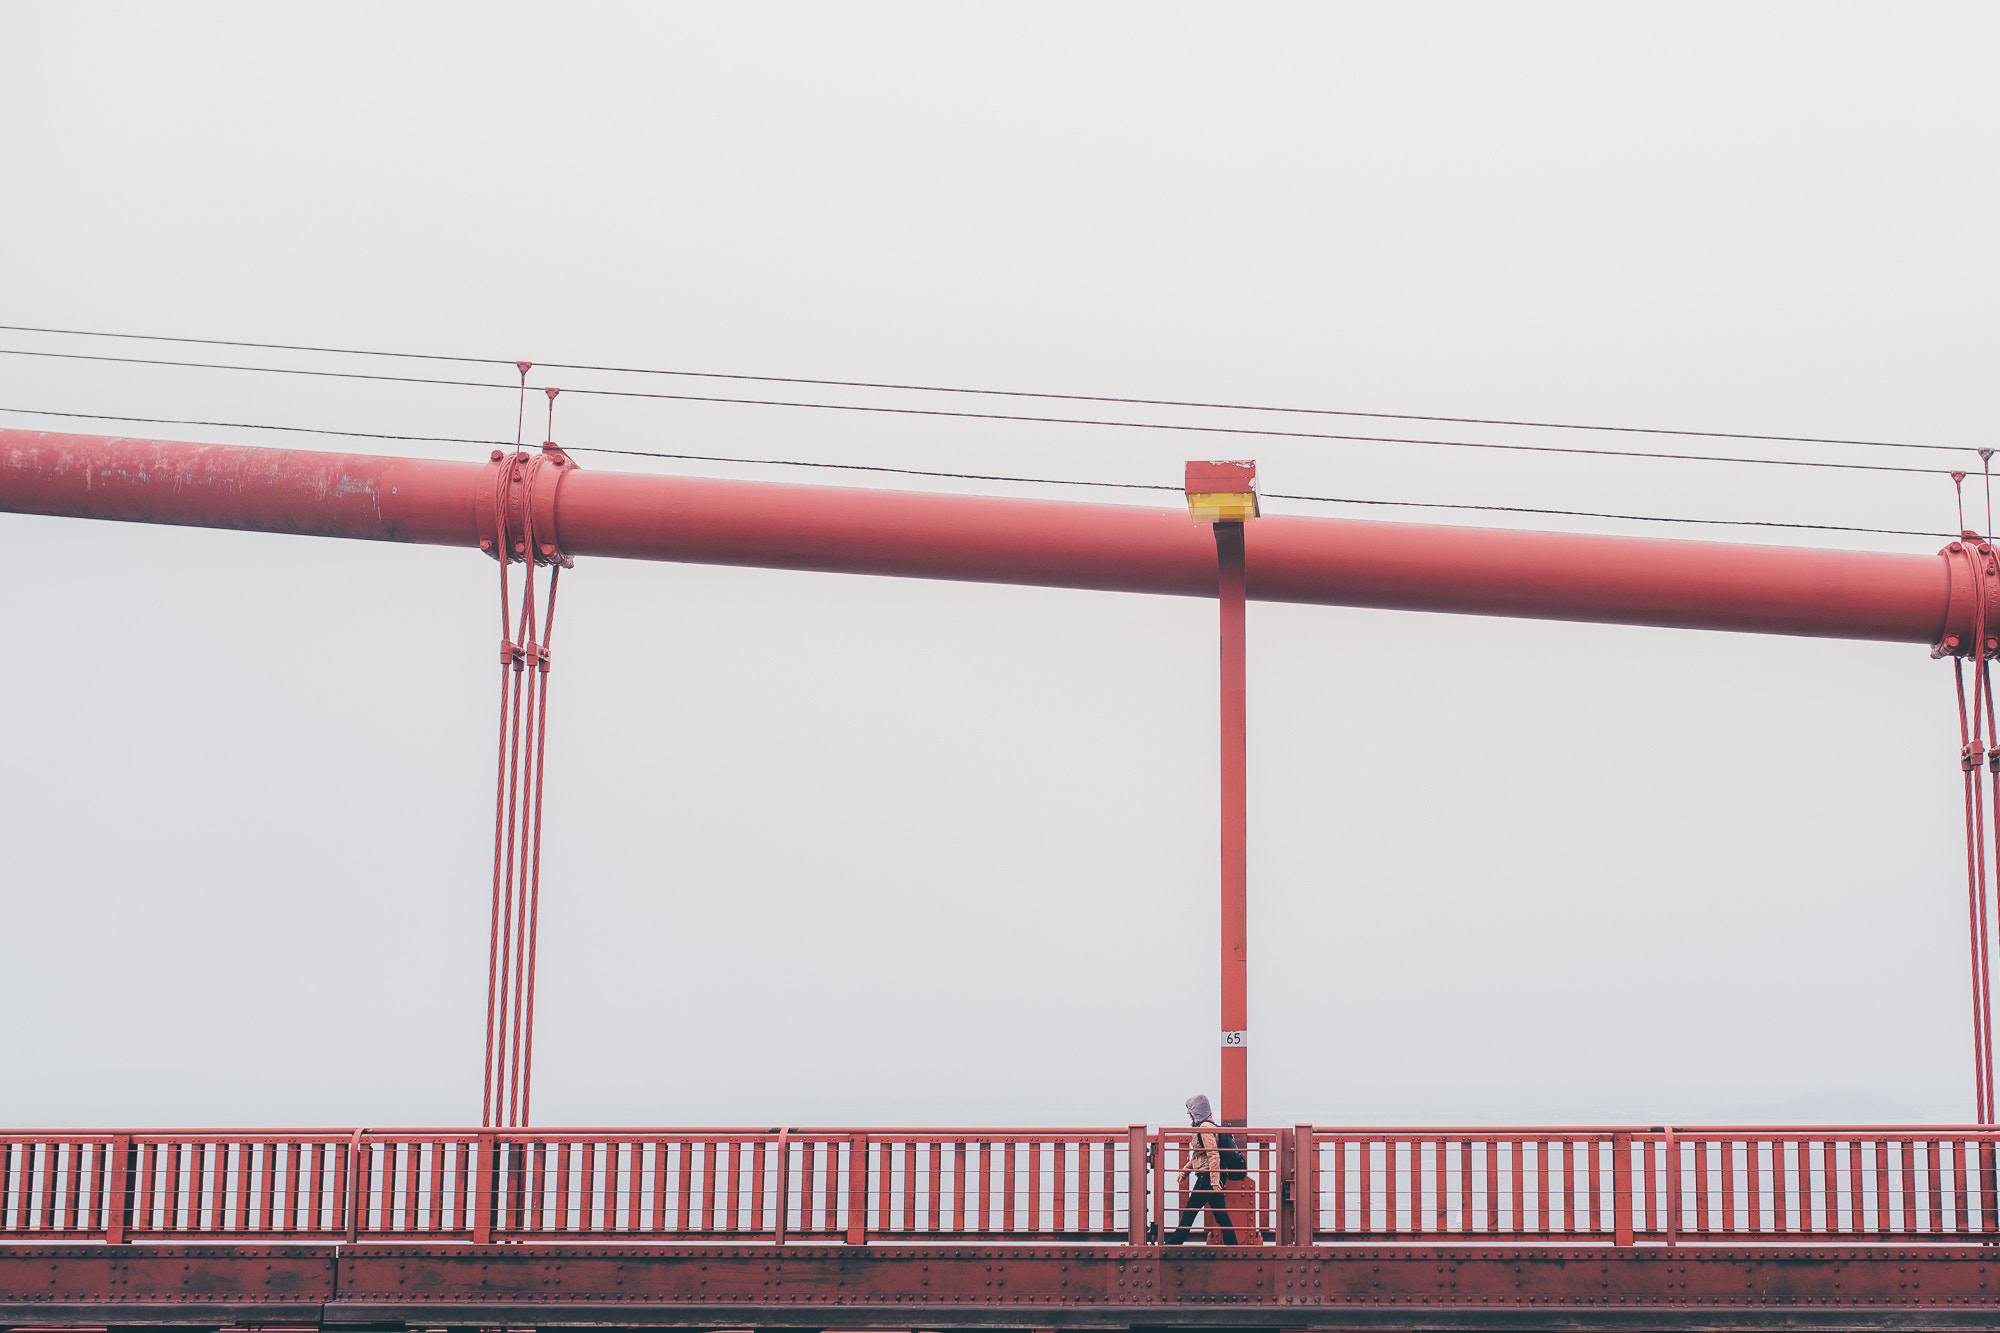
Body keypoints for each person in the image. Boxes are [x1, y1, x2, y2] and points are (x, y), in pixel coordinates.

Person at [1165, 1093, 1240, 1245]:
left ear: (1197, 1110)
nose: (1188, 1113)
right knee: (1221, 1215)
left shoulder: (1205, 1128)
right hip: (1210, 1176)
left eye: (1190, 1109)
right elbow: (1199, 1156)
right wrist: (1184, 1172)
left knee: (1190, 1211)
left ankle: (1174, 1243)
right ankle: (1233, 1246)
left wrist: (1213, 1181)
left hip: (1207, 1177)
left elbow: (1213, 1154)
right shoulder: (1207, 1126)